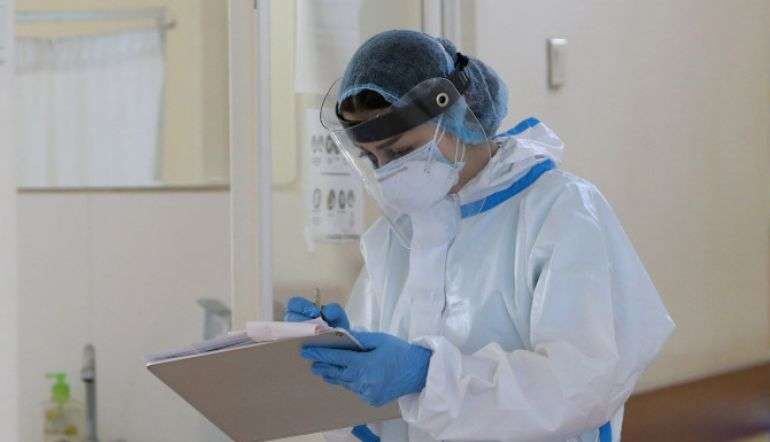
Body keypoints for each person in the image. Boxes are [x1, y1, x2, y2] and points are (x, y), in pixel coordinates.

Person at [284, 29, 674, 442]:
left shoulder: (559, 211)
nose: (386, 172)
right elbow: (378, 411)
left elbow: (582, 384)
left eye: (399, 151)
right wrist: (342, 357)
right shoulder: (396, 237)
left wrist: (426, 374)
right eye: (372, 158)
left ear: (456, 115)